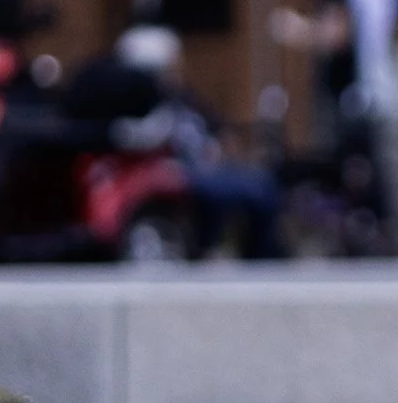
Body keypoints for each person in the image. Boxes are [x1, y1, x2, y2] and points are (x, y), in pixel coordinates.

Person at [61, 23, 285, 260]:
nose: (176, 68)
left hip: (198, 166)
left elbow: (211, 129)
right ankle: (257, 255)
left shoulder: (176, 94)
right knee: (259, 190)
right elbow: (148, 138)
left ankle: (242, 252)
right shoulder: (137, 98)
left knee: (258, 184)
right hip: (175, 170)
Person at [270, 0, 398, 241]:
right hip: (378, 76)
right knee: (366, 155)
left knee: (349, 159)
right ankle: (379, 225)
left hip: (350, 82)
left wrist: (295, 29)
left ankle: (362, 226)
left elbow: (336, 34)